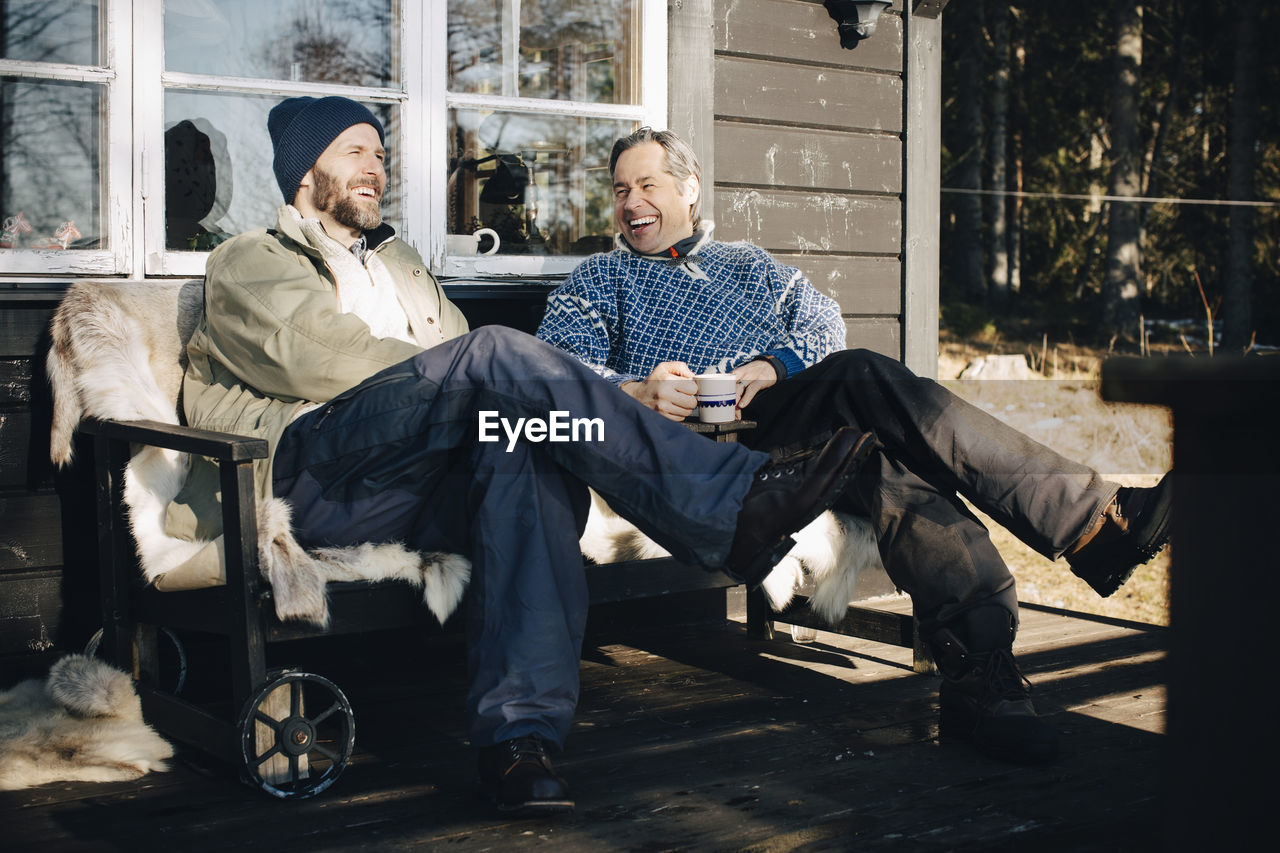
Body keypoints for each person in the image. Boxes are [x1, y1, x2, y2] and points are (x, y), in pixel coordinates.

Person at [165, 97, 879, 815]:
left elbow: (465, 378)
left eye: (380, 154)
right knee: (493, 356)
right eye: (354, 151)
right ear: (302, 170)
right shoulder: (249, 261)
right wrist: (462, 370)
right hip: (307, 474)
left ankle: (520, 743)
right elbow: (320, 359)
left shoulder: (403, 264)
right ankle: (731, 503)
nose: (375, 167)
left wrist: (472, 382)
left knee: (523, 453)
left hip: (414, 485)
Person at [536, 127, 1174, 766]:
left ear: (690, 188)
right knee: (873, 413)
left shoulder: (749, 266)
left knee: (869, 413)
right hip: (690, 452)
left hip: (782, 418)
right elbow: (556, 377)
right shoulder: (598, 279)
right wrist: (635, 391)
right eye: (621, 189)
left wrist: (777, 363)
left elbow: (822, 322)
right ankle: (1086, 537)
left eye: (647, 185)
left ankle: (985, 672)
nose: (631, 202)